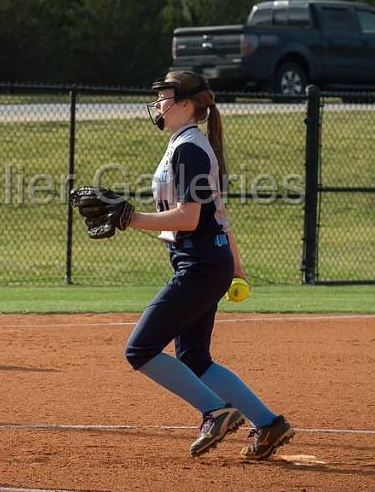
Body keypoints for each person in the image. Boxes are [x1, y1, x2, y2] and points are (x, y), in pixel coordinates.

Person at [120, 70, 293, 459]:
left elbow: (191, 218)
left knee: (140, 348)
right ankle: (267, 425)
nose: (159, 104)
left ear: (185, 104)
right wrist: (236, 265)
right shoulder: (184, 144)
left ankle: (216, 413)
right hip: (204, 262)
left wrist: (132, 219)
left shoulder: (190, 148)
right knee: (195, 359)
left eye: (165, 97)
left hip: (199, 265)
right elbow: (218, 213)